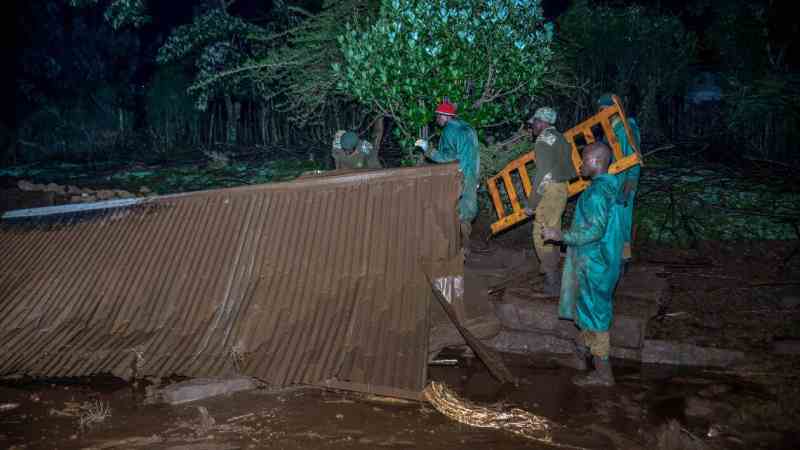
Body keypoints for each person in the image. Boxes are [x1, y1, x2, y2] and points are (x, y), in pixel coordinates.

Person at [542, 142, 624, 387]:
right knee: (585, 307)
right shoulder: (612, 187)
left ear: (597, 161)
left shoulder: (596, 194)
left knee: (595, 314)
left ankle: (603, 373)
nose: (580, 164)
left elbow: (594, 231)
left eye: (584, 159)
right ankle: (579, 357)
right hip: (604, 259)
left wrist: (561, 236)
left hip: (594, 262)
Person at [523, 107, 576, 296]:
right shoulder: (561, 138)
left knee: (541, 233)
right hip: (562, 189)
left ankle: (551, 278)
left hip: (550, 190)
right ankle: (555, 278)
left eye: (535, 122)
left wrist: (532, 203)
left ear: (542, 122)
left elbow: (543, 175)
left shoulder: (543, 141)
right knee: (553, 230)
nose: (533, 126)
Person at [415, 101, 480, 246]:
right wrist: (476, 178)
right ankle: (465, 247)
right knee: (466, 213)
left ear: (446, 116)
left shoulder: (449, 131)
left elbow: (448, 158)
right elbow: (476, 155)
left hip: (457, 177)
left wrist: (428, 150)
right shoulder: (469, 129)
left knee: (446, 211)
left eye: (438, 115)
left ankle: (449, 247)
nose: (437, 118)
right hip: (470, 175)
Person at [597, 93, 641, 272]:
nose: (601, 113)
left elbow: (634, 156)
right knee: (610, 222)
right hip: (611, 184)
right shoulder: (610, 129)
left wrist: (630, 182)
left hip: (622, 184)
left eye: (604, 109)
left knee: (621, 221)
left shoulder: (626, 128)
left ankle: (622, 261)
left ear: (613, 110)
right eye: (599, 110)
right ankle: (612, 259)